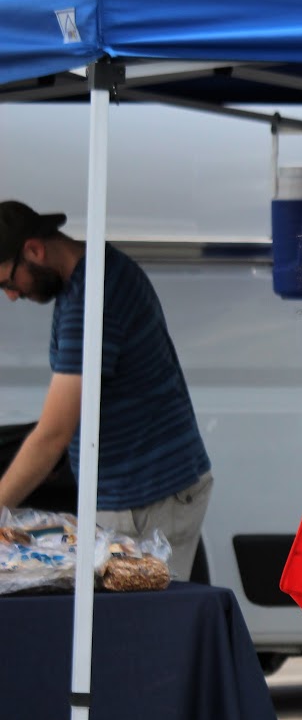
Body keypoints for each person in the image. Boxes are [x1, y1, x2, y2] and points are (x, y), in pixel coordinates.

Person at [0, 201, 212, 578]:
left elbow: (52, 434)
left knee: (143, 627)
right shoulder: (84, 279)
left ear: (33, 250)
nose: (11, 296)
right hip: (132, 495)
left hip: (148, 500)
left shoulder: (93, 297)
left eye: (7, 281)